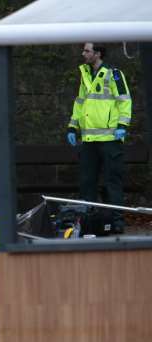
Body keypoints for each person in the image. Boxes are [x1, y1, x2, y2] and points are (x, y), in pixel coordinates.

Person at [67, 42, 132, 233]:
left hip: (111, 139)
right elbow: (79, 103)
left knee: (113, 183)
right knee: (87, 183)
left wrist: (122, 126)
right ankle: (88, 222)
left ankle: (117, 222)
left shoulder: (114, 74)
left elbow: (124, 100)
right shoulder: (85, 74)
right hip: (89, 141)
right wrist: (72, 126)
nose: (83, 53)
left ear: (98, 53)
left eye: (87, 51)